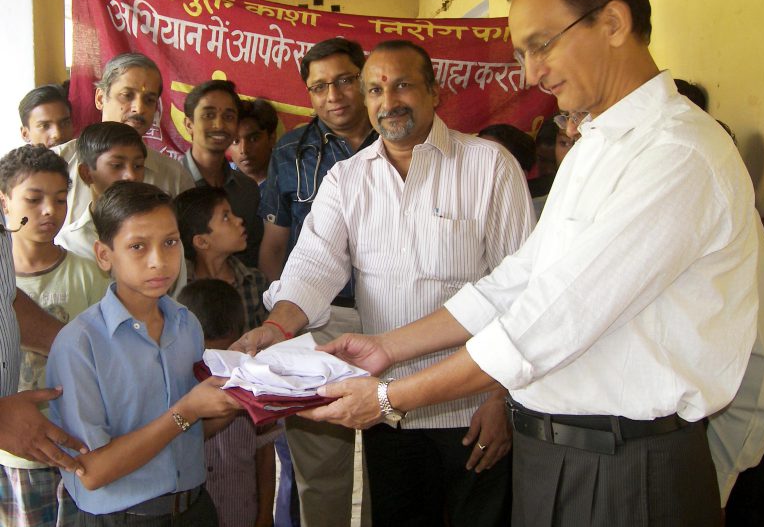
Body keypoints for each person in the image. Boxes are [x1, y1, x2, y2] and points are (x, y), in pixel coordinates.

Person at [301, 0, 759, 527]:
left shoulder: (674, 154)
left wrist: (390, 397)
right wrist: (389, 349)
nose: (531, 74)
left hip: (624, 468)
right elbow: (515, 281)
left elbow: (550, 319)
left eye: (541, 45)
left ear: (613, 23)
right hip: (560, 453)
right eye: (522, 53)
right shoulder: (597, 145)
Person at [235, 39, 534, 526]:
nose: (387, 100)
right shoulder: (346, 180)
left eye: (402, 85)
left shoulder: (489, 166)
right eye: (375, 89)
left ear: (434, 92)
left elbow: (519, 292)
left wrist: (501, 397)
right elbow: (314, 264)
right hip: (389, 408)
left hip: (474, 404)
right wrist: (277, 328)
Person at [46, 181, 242, 525]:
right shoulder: (79, 344)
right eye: (138, 246)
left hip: (193, 508)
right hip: (124, 517)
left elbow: (191, 432)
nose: (159, 261)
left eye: (170, 243)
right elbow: (90, 471)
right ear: (104, 255)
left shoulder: (187, 325)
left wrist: (244, 396)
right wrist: (185, 411)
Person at [256, 37, 377, 527]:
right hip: (317, 320)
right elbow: (274, 245)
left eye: (345, 80)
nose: (334, 95)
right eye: (319, 86)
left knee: (392, 458)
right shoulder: (291, 151)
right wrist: (286, 317)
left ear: (366, 77)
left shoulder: (400, 138)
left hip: (395, 319)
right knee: (320, 466)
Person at [0, 145, 109, 526]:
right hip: (11, 455)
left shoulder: (90, 274)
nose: (50, 210)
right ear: (4, 201)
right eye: (34, 198)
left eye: (60, 199)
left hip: (75, 447)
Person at [178, 279, 279, 527]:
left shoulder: (255, 386)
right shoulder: (176, 389)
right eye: (207, 361)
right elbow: (172, 441)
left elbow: (266, 456)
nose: (217, 372)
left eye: (226, 357)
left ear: (241, 339)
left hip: (242, 512)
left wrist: (266, 514)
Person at [54, 52, 194, 227]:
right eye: (127, 96)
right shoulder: (59, 162)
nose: (139, 108)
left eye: (149, 100)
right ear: (100, 98)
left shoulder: (174, 177)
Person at [181, 80, 263, 268]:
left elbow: (250, 257)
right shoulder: (169, 184)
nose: (219, 125)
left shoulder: (247, 190)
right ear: (189, 125)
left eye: (228, 116)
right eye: (208, 115)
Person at [174, 186, 267, 332]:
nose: (239, 220)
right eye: (225, 217)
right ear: (202, 242)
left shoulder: (255, 281)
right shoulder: (179, 290)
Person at [56, 122, 147, 261]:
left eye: (138, 166)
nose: (131, 175)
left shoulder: (162, 233)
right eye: (117, 166)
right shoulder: (69, 244)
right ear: (86, 173)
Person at [230, 98, 279, 188]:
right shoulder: (218, 179)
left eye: (253, 139)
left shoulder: (289, 181)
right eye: (235, 141)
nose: (244, 150)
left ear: (272, 138)